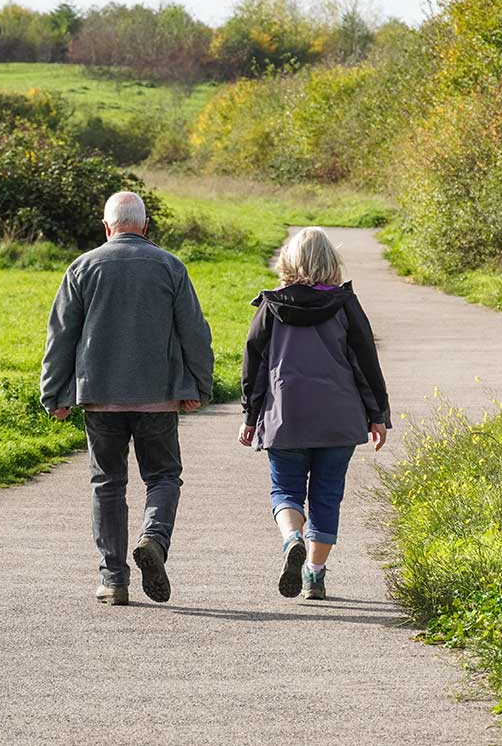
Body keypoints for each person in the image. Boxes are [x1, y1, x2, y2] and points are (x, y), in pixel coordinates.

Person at [40, 191, 214, 606]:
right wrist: (199, 386)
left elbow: (61, 335)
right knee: (163, 476)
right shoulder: (170, 267)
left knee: (107, 483)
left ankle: (114, 578)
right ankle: (153, 537)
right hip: (157, 397)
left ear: (106, 227)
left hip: (99, 396)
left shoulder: (82, 268)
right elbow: (195, 332)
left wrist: (54, 393)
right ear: (145, 226)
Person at [238, 226, 390, 601]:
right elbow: (365, 364)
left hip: (285, 416)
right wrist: (378, 414)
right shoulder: (345, 306)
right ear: (330, 262)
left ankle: (292, 539)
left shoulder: (271, 308)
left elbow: (253, 366)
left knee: (285, 490)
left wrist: (250, 414)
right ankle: (314, 576)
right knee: (326, 495)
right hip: (339, 418)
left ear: (289, 261)